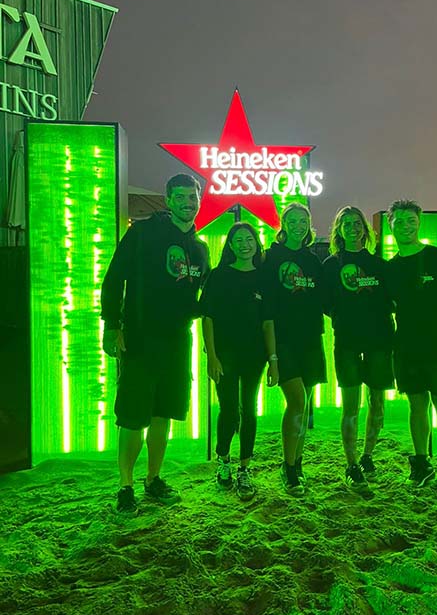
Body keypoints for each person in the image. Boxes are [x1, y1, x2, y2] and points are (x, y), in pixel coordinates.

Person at [101, 173, 210, 513]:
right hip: (140, 339)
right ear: (168, 199)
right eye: (180, 196)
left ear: (199, 200)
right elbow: (113, 278)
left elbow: (201, 298)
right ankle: (125, 486)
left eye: (192, 197)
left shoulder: (200, 249)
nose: (187, 203)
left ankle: (153, 479)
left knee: (164, 413)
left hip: (177, 342)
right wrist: (111, 326)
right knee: (133, 416)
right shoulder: (143, 233)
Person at [386, 200, 437, 490]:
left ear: (419, 223)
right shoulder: (391, 269)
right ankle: (421, 464)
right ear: (390, 226)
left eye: (411, 220)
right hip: (407, 349)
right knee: (417, 406)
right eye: (399, 221)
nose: (406, 226)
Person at [199, 222, 278, 500]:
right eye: (239, 240)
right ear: (230, 245)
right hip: (225, 354)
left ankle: (244, 468)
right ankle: (223, 461)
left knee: (249, 410)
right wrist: (211, 356)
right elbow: (207, 318)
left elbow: (268, 322)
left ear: (256, 243)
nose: (245, 244)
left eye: (249, 239)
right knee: (229, 410)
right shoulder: (218, 276)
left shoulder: (263, 278)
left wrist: (273, 359)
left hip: (255, 355)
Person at [323, 206, 395, 489]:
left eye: (357, 224)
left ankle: (367, 456)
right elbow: (325, 302)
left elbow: (391, 300)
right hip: (347, 341)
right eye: (347, 224)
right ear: (339, 231)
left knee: (377, 403)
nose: (353, 228)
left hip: (380, 340)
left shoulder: (380, 265)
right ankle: (351, 463)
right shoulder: (331, 265)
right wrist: (342, 316)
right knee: (350, 407)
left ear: (365, 230)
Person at [262, 203, 326, 495]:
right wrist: (271, 353)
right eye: (293, 220)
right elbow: (265, 304)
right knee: (297, 402)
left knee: (306, 403)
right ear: (283, 224)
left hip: (310, 338)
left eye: (304, 221)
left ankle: (297, 463)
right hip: (283, 339)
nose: (299, 226)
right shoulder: (271, 257)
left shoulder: (313, 260)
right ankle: (288, 467)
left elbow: (324, 298)